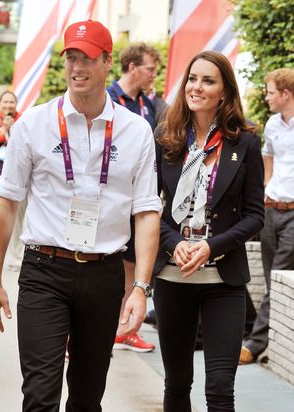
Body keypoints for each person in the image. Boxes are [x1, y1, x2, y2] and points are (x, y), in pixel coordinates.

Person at [0, 20, 161, 411]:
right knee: (40, 393)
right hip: (44, 271)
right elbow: (6, 203)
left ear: (108, 62)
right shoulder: (34, 124)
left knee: (87, 395)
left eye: (87, 58)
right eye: (71, 58)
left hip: (104, 275)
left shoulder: (136, 131)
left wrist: (141, 287)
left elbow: (147, 212)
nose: (77, 68)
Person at [153, 51, 264, 411]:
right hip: (172, 280)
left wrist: (211, 246)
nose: (196, 87)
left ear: (224, 92)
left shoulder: (245, 142)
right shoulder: (166, 138)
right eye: (192, 78)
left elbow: (254, 216)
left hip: (224, 282)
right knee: (177, 384)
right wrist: (173, 244)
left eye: (208, 80)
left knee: (219, 389)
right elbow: (148, 207)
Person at [108, 43, 161, 352]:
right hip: (110, 198)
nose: (153, 75)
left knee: (132, 265)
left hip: (139, 199)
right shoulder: (107, 100)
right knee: (104, 266)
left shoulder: (148, 105)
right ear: (131, 67)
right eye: (150, 69)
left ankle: (124, 329)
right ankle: (78, 335)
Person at [240, 68, 294, 365]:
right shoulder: (273, 124)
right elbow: (269, 162)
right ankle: (267, 339)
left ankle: (254, 343)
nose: (267, 97)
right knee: (274, 281)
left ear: (286, 94)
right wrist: (263, 197)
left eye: (272, 92)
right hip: (272, 209)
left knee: (277, 277)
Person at [0, 91, 25, 270]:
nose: (8, 106)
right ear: (0, 104)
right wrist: (2, 130)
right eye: (5, 102)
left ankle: (17, 258)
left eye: (12, 102)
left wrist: (13, 128)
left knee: (18, 224)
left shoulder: (24, 122)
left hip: (19, 183)